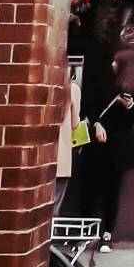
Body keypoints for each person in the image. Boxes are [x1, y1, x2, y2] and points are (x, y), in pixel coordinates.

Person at [83, 50, 134, 251]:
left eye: (116, 62)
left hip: (119, 147)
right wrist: (96, 124)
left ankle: (107, 234)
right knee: (92, 188)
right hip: (100, 144)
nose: (113, 65)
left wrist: (130, 107)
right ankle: (88, 231)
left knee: (112, 191)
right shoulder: (104, 82)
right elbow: (90, 105)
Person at [53, 65, 82, 216]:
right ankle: (50, 236)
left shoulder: (47, 87)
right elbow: (75, 124)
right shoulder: (73, 90)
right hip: (62, 155)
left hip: (42, 157)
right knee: (55, 204)